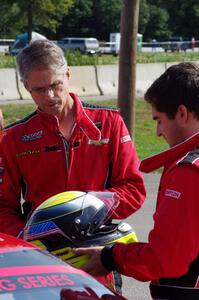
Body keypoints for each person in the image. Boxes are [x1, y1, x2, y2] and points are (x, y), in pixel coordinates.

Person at [0, 40, 145, 290]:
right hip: (40, 261)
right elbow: (2, 207)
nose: (50, 96)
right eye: (39, 89)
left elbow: (134, 189)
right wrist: (30, 237)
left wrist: (85, 209)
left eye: (56, 85)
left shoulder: (109, 121)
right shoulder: (13, 138)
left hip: (96, 256)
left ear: (68, 74)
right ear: (25, 86)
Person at [75, 62, 199, 299]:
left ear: (182, 113)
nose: (158, 132)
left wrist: (110, 256)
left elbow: (166, 259)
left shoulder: (188, 171)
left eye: (158, 120)